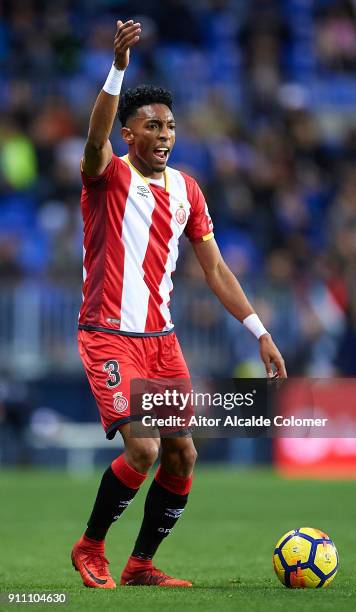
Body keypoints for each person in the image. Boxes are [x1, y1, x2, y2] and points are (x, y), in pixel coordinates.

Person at [71, 19, 287, 589]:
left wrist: (258, 330)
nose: (165, 134)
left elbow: (214, 268)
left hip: (162, 342)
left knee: (182, 456)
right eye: (152, 126)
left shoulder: (188, 190)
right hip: (109, 334)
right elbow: (91, 142)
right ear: (128, 135)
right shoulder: (107, 175)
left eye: (170, 125)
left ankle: (140, 564)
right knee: (142, 447)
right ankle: (91, 547)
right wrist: (118, 66)